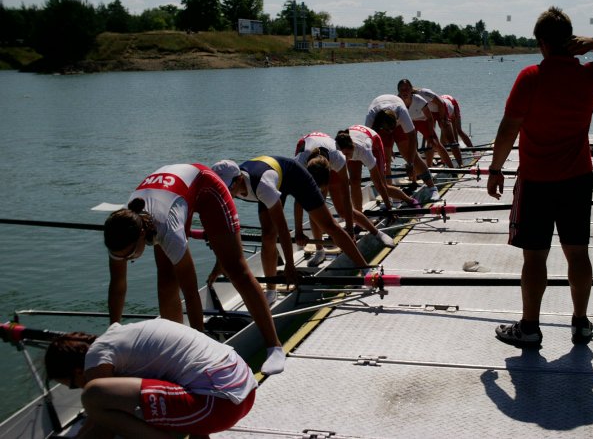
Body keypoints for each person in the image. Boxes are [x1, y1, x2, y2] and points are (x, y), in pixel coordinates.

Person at [486, 6, 593, 347]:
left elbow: (508, 129)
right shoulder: (589, 76)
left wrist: (495, 169)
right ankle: (581, 324)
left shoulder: (531, 77)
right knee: (578, 253)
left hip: (536, 182)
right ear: (572, 40)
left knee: (534, 257)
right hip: (578, 178)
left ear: (542, 43)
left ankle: (530, 328)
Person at [103, 163, 285, 376]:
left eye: (130, 256)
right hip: (171, 197)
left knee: (236, 270)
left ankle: (274, 346)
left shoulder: (167, 229)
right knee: (166, 280)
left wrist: (200, 350)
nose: (126, 260)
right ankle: (174, 348)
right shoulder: (119, 229)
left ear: (142, 235)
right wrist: (112, 334)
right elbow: (117, 286)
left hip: (206, 188)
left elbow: (190, 293)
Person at [44, 318, 257, 438]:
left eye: (73, 386)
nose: (79, 388)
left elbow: (102, 424)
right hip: (243, 391)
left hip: (219, 404)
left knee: (93, 395)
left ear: (78, 372)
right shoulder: (120, 338)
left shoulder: (96, 357)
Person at [211, 157, 371, 304]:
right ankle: (271, 291)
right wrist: (221, 262)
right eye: (221, 187)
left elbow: (283, 230)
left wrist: (290, 265)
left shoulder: (262, 186)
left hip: (294, 175)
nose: (225, 192)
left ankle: (365, 269)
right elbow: (224, 232)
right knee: (267, 236)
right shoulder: (225, 190)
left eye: (228, 187)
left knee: (329, 226)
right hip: (272, 181)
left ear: (239, 179)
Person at [295, 132, 396, 267]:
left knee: (342, 210)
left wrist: (350, 229)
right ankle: (320, 251)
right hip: (306, 148)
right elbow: (298, 201)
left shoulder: (339, 159)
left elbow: (346, 196)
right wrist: (299, 232)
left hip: (326, 153)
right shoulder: (299, 165)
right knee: (314, 209)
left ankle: (377, 233)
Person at [364, 94, 441, 202]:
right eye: (388, 131)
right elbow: (366, 141)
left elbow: (412, 138)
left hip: (398, 122)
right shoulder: (371, 117)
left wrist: (410, 163)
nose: (391, 133)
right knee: (385, 160)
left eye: (392, 130)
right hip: (380, 124)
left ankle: (432, 188)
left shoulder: (402, 113)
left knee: (411, 155)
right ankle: (388, 196)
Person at [335, 125, 419, 211]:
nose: (345, 158)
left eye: (347, 154)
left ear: (352, 148)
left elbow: (379, 184)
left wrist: (389, 210)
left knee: (381, 185)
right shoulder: (336, 148)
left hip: (375, 143)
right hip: (353, 139)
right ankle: (359, 213)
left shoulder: (364, 151)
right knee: (354, 182)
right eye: (343, 154)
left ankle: (410, 201)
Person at [396, 80, 455, 169]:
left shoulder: (418, 99)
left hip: (423, 121)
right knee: (411, 148)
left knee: (436, 144)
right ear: (398, 91)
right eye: (402, 89)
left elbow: (430, 118)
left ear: (411, 89)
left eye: (407, 89)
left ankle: (452, 169)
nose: (404, 92)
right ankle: (415, 173)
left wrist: (431, 135)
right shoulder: (397, 101)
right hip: (409, 122)